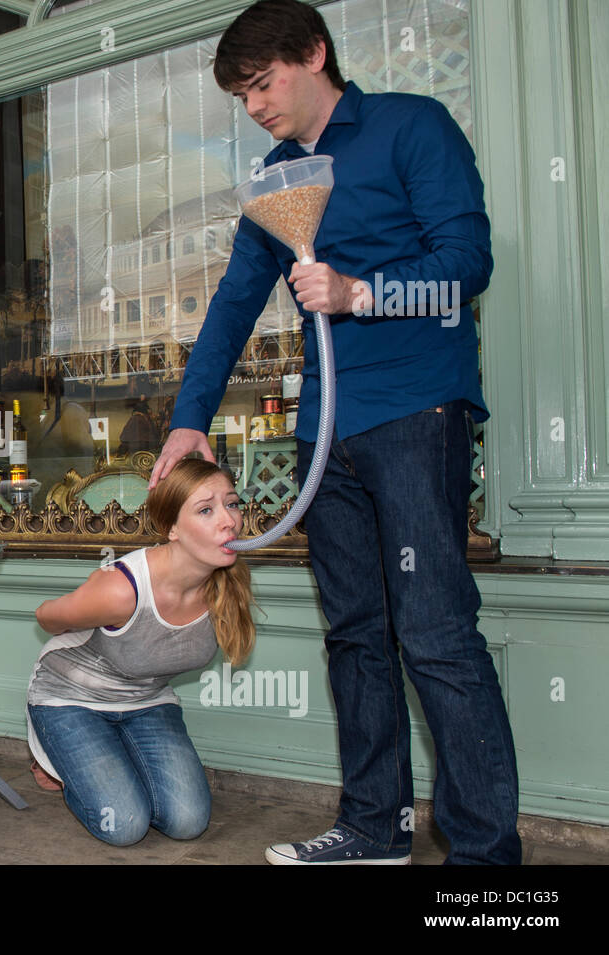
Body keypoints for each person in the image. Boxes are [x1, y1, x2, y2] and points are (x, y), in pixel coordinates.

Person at [148, 0, 520, 864]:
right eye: (241, 95)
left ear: (314, 54)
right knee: (355, 632)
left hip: (415, 412)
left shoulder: (410, 128)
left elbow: (467, 267)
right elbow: (234, 304)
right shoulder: (275, 180)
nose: (255, 106)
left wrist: (362, 293)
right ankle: (372, 827)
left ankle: (485, 859)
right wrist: (189, 419)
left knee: (433, 632)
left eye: (263, 83)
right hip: (325, 435)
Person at [27, 458, 253, 847]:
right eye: (206, 510)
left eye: (232, 504)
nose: (229, 521)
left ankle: (110, 761)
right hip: (71, 698)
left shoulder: (226, 585)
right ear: (172, 529)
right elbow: (45, 615)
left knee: (188, 821)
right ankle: (56, 758)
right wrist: (90, 606)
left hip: (147, 701)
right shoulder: (123, 589)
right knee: (125, 825)